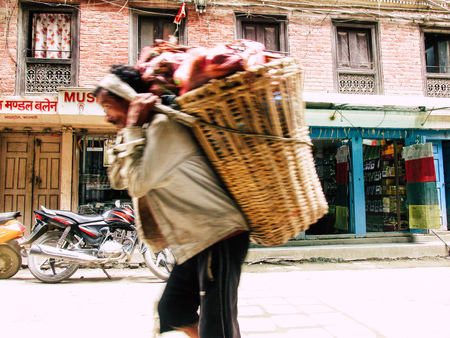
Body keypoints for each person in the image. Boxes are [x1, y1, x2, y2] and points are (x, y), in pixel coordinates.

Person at [94, 64, 250, 338]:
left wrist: (132, 129)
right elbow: (119, 180)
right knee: (173, 311)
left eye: (109, 106)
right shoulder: (142, 132)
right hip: (193, 239)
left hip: (219, 234)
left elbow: (139, 182)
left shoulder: (165, 126)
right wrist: (129, 131)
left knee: (219, 325)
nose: (106, 117)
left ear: (130, 99)